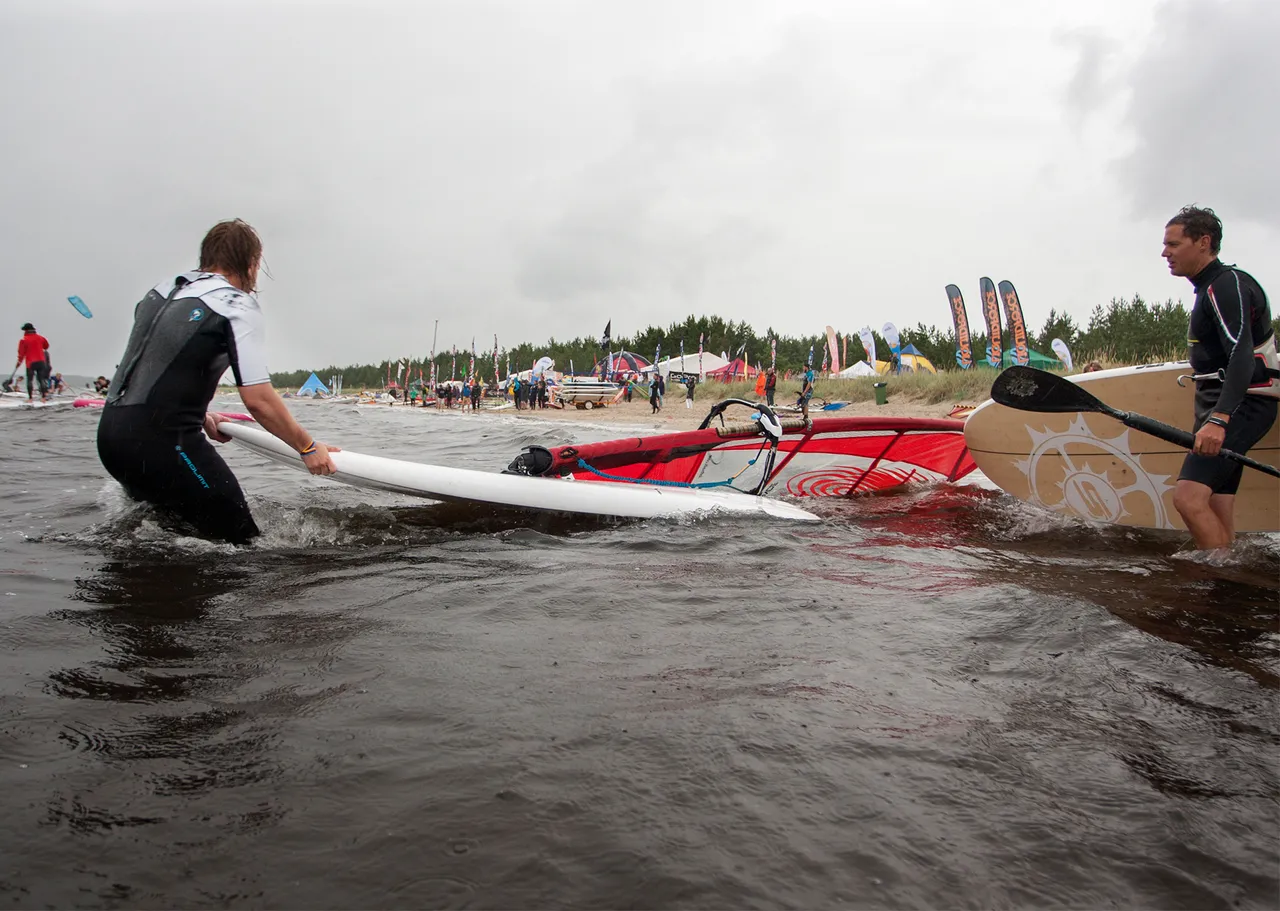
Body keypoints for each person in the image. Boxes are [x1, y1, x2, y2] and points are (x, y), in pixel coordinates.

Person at [96, 219, 337, 545]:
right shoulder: (235, 304)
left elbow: (156, 368)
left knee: (162, 535)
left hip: (112, 438)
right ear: (251, 263)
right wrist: (307, 447)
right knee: (244, 546)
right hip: (163, 443)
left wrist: (199, 416)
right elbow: (258, 399)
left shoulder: (160, 292)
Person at [1162, 205, 1277, 550]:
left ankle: (1219, 579)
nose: (1165, 252)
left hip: (1243, 406)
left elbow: (1241, 354)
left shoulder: (1224, 286)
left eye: (1173, 244)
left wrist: (1219, 419)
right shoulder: (1209, 288)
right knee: (1215, 502)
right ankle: (1231, 572)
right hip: (1225, 407)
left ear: (1203, 242)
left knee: (1188, 498)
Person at [14, 323, 51, 403]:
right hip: (41, 362)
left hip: (30, 363)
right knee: (41, 379)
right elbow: (46, 346)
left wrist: (19, 363)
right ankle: (43, 398)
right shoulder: (40, 338)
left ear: (26, 330)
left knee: (30, 380)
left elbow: (21, 354)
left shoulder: (24, 340)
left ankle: (30, 399)